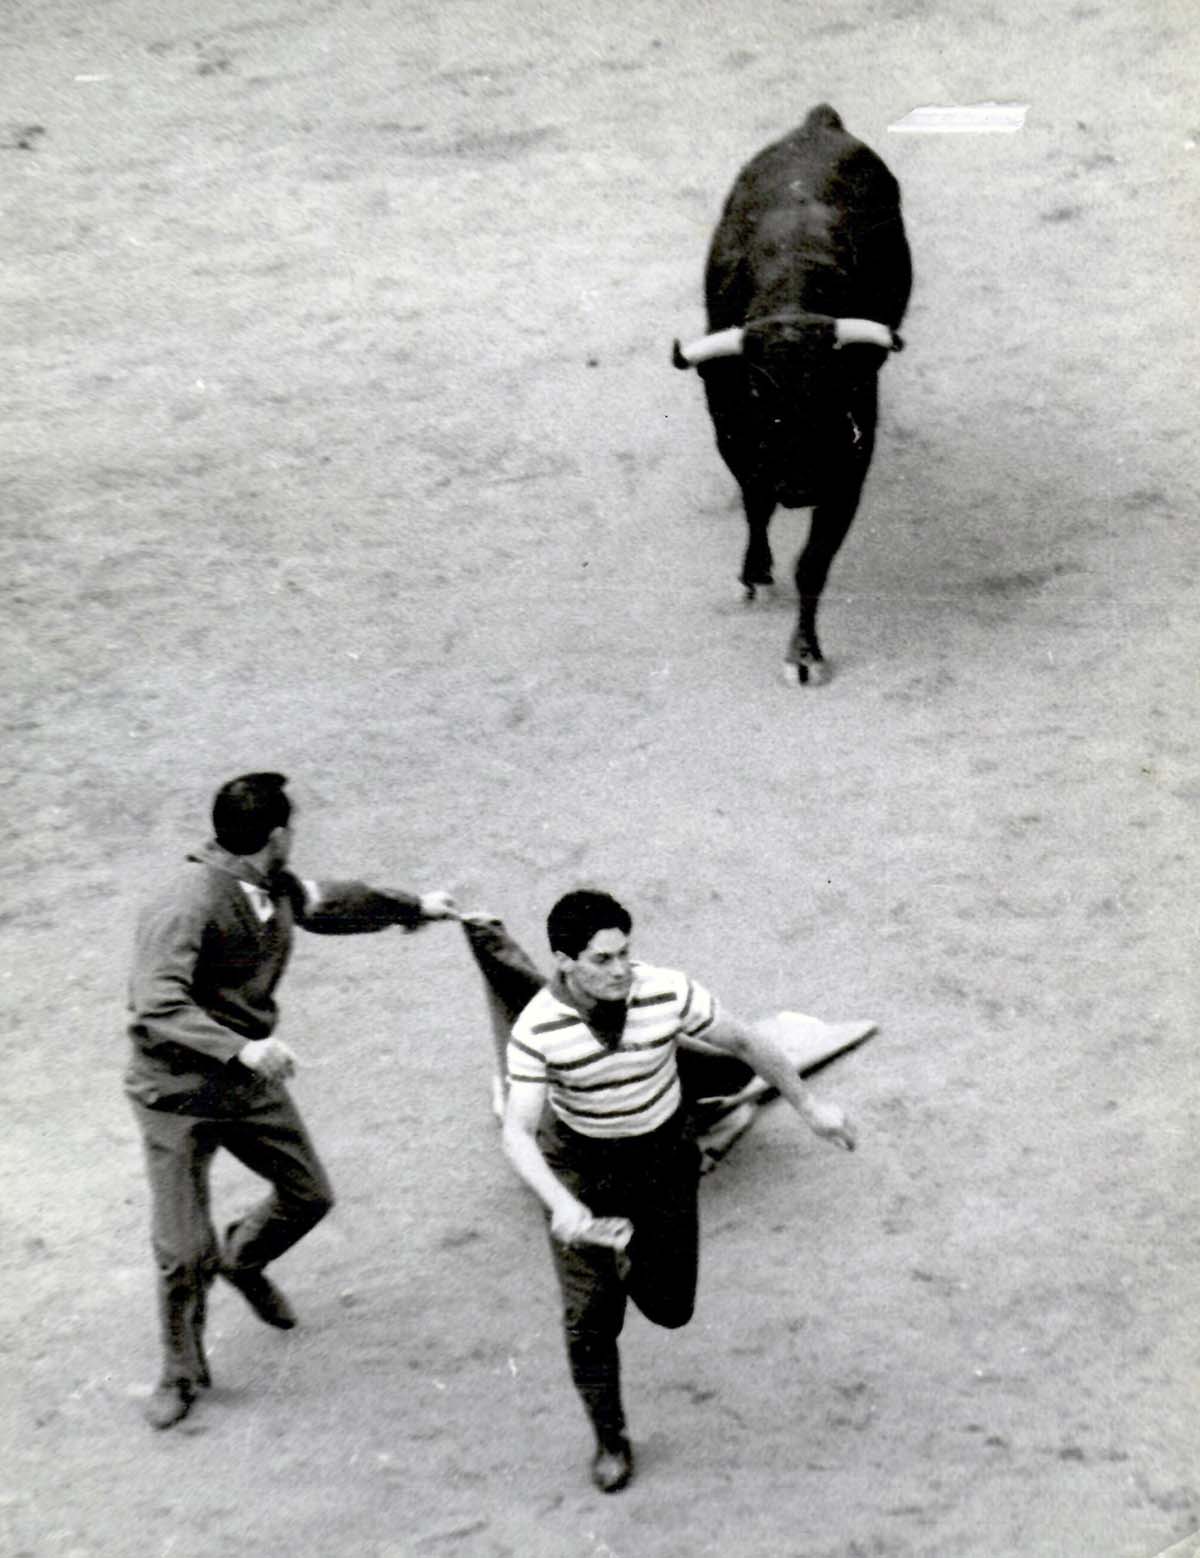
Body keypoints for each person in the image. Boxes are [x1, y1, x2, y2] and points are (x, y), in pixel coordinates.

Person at [124, 772, 457, 1430]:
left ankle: (243, 1258)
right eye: (292, 830)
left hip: (244, 1081)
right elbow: (156, 1001)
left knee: (309, 1195)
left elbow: (330, 902)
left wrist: (414, 907)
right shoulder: (186, 902)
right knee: (182, 1249)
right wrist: (241, 1048)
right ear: (275, 836)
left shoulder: (268, 883)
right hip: (177, 1095)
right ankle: (180, 1369)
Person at [498, 889, 857, 1493]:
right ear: (563, 961)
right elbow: (517, 1132)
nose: (620, 972)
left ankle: (628, 1255)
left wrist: (811, 1105)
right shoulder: (536, 1030)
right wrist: (563, 1205)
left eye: (625, 955)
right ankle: (610, 1439)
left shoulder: (666, 990)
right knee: (589, 1318)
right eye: (602, 960)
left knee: (671, 1308)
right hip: (582, 1167)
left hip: (662, 1155)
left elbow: (743, 1041)